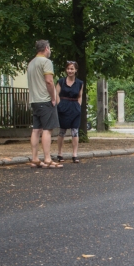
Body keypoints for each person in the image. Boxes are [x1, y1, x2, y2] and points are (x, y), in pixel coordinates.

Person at [28, 40, 62, 169]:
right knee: (47, 129)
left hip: (34, 100)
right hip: (44, 99)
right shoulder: (46, 62)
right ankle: (47, 158)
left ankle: (35, 158)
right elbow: (49, 81)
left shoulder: (31, 63)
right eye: (50, 48)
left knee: (36, 130)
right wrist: (53, 97)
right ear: (46, 48)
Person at [55, 61, 84, 163]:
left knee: (75, 131)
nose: (70, 71)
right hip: (63, 106)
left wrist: (78, 105)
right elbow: (56, 93)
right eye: (68, 69)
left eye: (72, 69)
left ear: (76, 70)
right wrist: (60, 104)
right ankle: (59, 153)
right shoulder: (61, 81)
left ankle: (75, 154)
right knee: (62, 131)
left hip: (74, 107)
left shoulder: (80, 83)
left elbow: (80, 96)